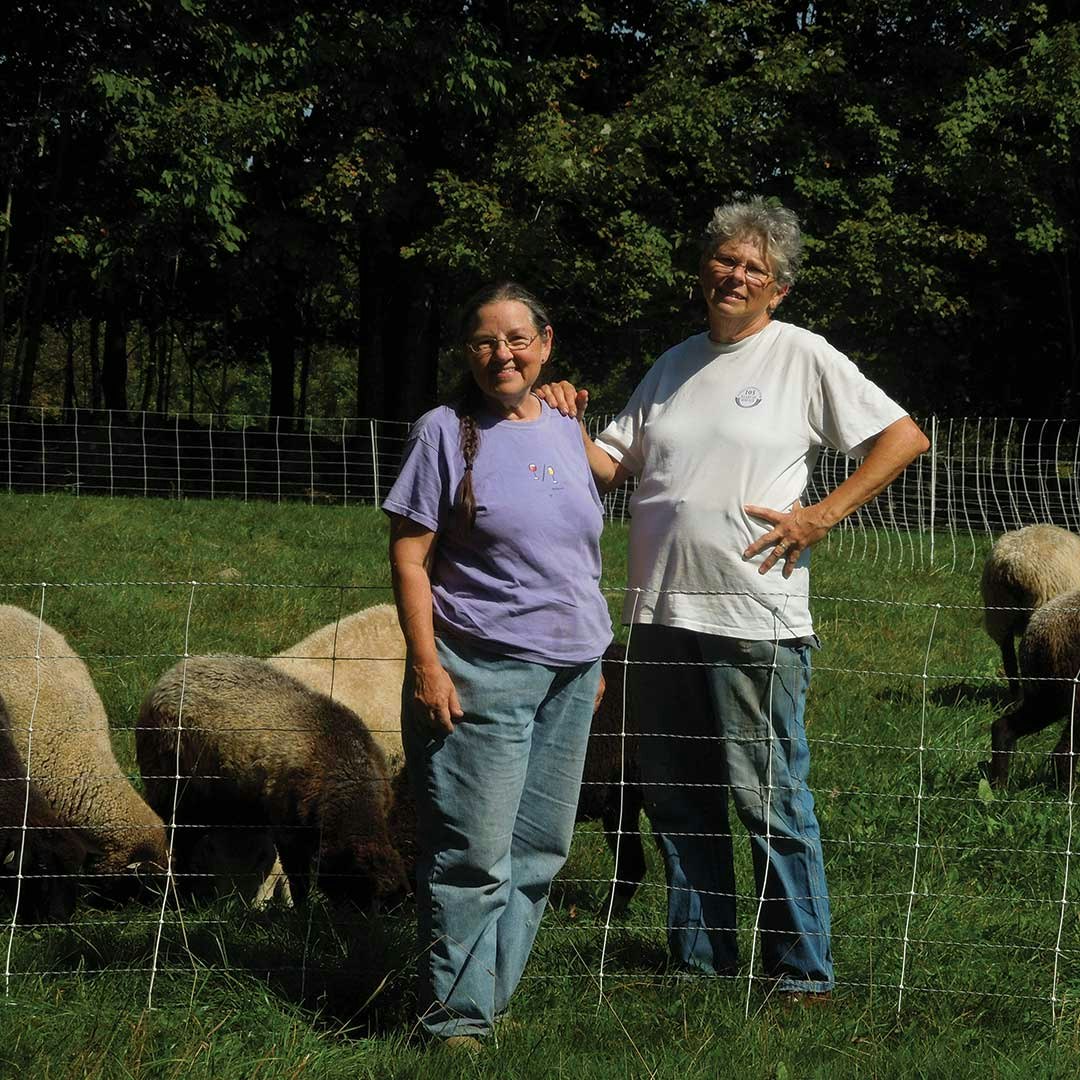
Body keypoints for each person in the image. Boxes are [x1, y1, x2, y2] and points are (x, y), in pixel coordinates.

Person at [538, 197, 929, 998]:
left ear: (777, 289)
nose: (736, 275)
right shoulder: (674, 363)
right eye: (726, 260)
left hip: (754, 615)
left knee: (769, 798)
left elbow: (902, 436)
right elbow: (613, 467)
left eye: (755, 268)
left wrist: (821, 515)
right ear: (704, 269)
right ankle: (703, 965)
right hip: (658, 613)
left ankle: (800, 974)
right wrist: (555, 413)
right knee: (679, 798)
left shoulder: (802, 356)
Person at [382, 281, 612, 1046]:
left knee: (541, 850)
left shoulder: (563, 424)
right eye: (485, 341)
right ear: (467, 353)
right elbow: (410, 557)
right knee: (473, 855)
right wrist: (427, 667)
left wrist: (594, 656)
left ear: (546, 345)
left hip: (573, 673)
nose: (501, 354)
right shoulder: (442, 432)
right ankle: (455, 1024)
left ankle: (486, 1000)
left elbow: (583, 541)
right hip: (481, 667)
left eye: (517, 339)